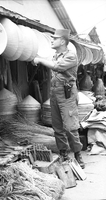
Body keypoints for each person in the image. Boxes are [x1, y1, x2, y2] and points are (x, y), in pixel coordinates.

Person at [32, 29, 85, 169]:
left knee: (70, 127)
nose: (52, 40)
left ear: (62, 41)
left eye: (54, 38)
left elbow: (57, 67)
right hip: (55, 94)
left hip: (67, 95)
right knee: (57, 127)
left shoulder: (71, 56)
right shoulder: (56, 55)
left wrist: (40, 60)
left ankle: (78, 154)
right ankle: (63, 153)